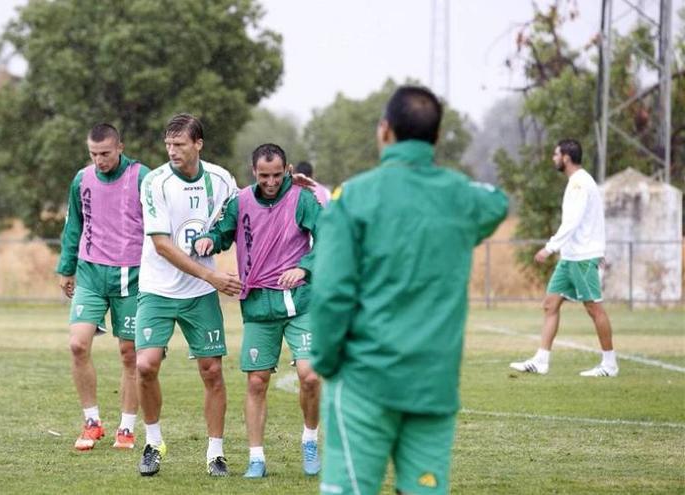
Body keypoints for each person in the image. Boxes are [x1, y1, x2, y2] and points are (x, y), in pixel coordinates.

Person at [310, 86, 508, 495]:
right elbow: (497, 201)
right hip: (433, 384)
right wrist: (445, 188)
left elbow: (331, 294)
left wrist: (326, 363)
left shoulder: (353, 197)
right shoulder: (458, 197)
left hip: (365, 380)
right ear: (436, 139)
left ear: (384, 131)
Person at [194, 143, 323, 479]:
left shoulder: (302, 199)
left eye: (277, 175)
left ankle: (310, 439)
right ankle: (256, 458)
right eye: (264, 175)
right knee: (256, 382)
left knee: (310, 375)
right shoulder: (240, 201)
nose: (271, 181)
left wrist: (305, 267)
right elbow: (221, 232)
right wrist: (209, 240)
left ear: (288, 169)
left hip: (300, 302)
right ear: (254, 172)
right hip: (258, 304)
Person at [135, 114, 240, 477]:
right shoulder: (155, 182)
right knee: (145, 365)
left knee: (211, 371)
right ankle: (152, 442)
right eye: (168, 144)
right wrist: (212, 275)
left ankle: (215, 454)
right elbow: (162, 246)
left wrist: (290, 188)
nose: (172, 151)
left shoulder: (223, 179)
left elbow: (240, 218)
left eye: (179, 144)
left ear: (198, 144)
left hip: (199, 293)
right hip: (158, 288)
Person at [56, 123, 151, 451]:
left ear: (120, 147)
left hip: (132, 278)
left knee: (130, 355)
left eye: (105, 154)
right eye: (94, 154)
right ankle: (92, 421)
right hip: (91, 275)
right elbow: (74, 225)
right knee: (77, 345)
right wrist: (66, 268)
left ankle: (126, 427)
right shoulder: (82, 179)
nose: (99, 160)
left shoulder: (142, 177)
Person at [510, 139, 618, 377]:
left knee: (593, 308)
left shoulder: (580, 183)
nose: (553, 158)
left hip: (582, 258)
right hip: (569, 257)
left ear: (566, 157)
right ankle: (541, 361)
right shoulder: (575, 182)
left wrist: (549, 248)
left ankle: (610, 365)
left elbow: (573, 222)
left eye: (556, 154)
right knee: (550, 304)